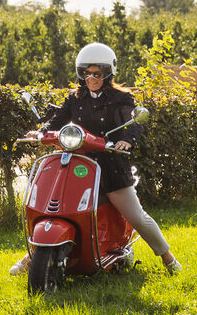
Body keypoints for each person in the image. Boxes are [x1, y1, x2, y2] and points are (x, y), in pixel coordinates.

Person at [10, 43, 182, 276]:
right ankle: (37, 254)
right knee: (58, 206)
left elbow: (132, 123)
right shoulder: (75, 98)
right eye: (86, 73)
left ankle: (168, 258)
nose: (91, 78)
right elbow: (58, 120)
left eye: (97, 73)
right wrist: (40, 134)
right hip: (79, 163)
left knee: (136, 215)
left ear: (107, 73)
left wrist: (127, 141)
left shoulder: (121, 98)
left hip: (111, 165)